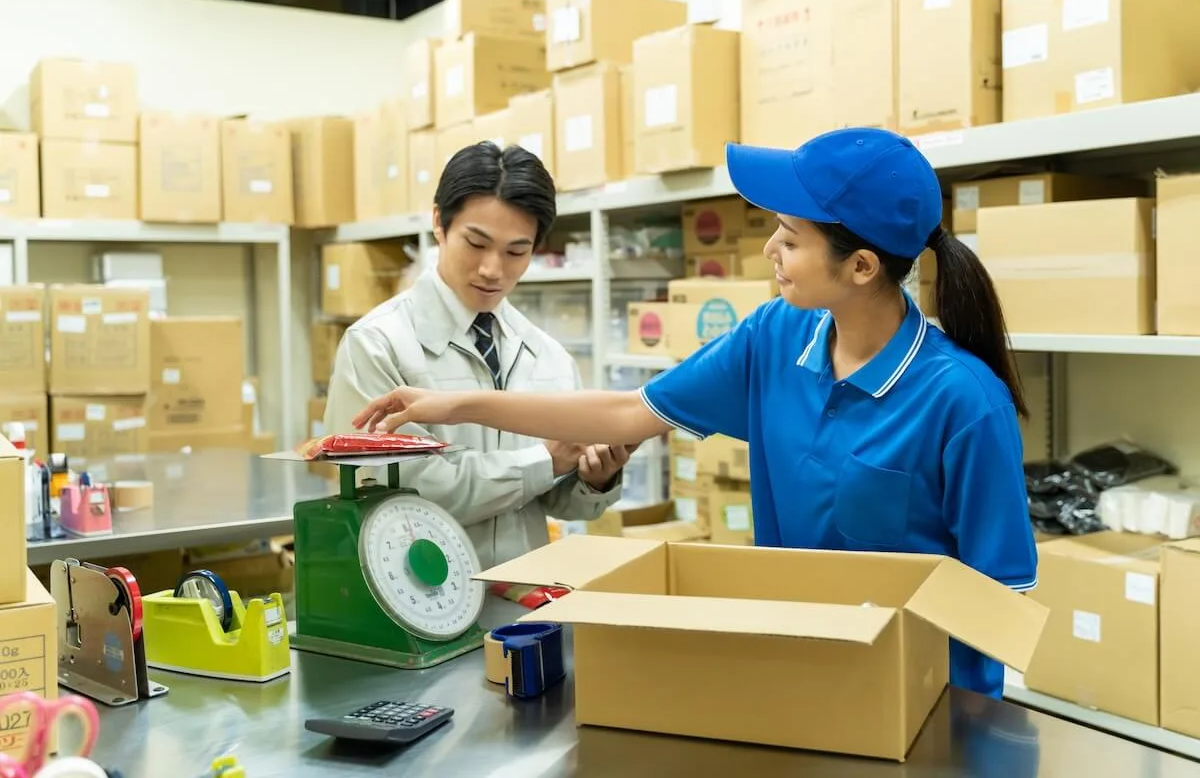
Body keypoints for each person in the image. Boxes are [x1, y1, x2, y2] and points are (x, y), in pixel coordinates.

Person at [351, 127, 1037, 700]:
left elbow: (999, 601)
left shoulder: (964, 402)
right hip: (794, 678)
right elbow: (627, 411)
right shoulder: (776, 337)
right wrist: (451, 402)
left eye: (790, 239)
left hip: (916, 699)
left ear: (860, 267)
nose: (770, 249)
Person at [323, 141, 629, 569]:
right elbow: (394, 497)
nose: (492, 269)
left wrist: (596, 478)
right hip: (417, 611)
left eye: (515, 252)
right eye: (476, 243)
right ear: (439, 223)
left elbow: (564, 504)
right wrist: (544, 459)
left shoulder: (548, 356)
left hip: (524, 607)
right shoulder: (376, 345)